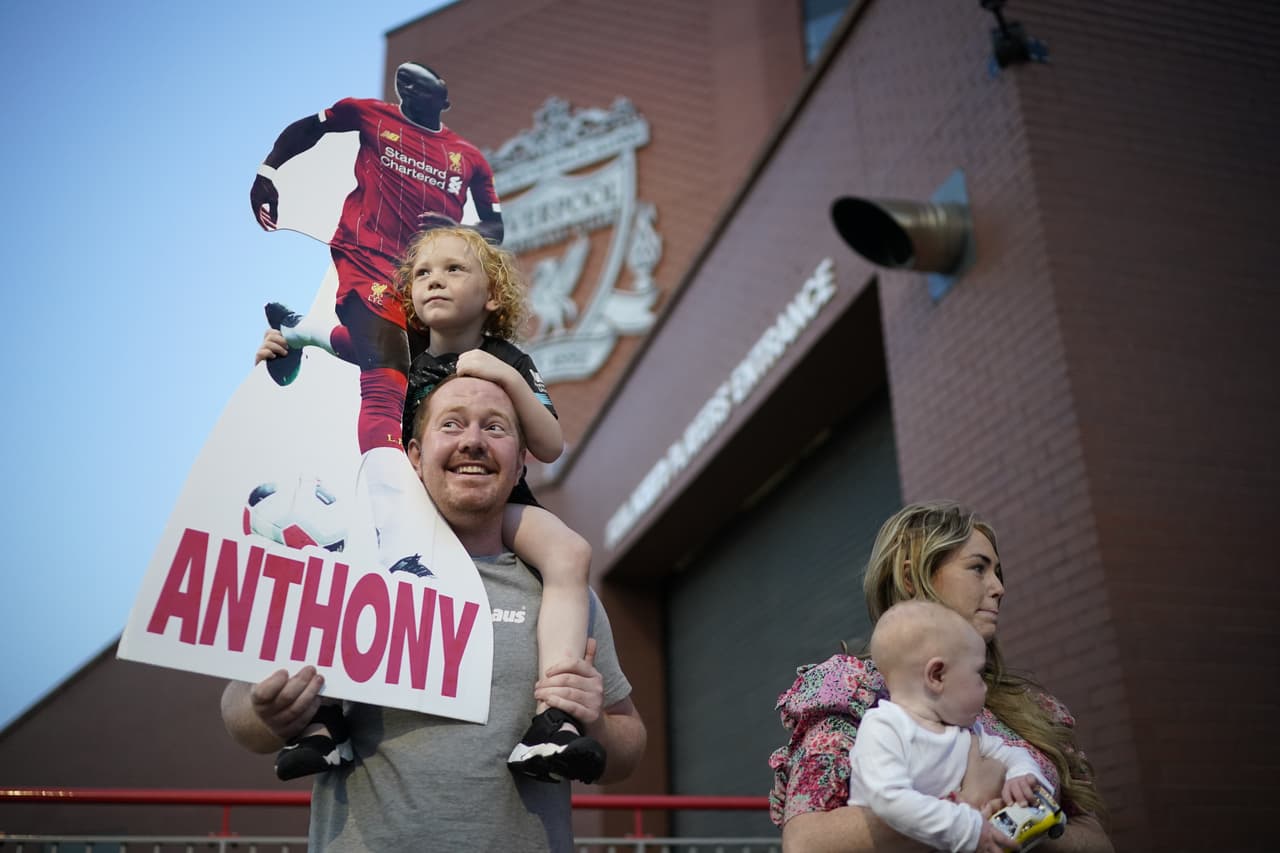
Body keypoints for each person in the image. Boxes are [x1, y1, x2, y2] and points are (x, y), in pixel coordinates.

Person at [221, 375, 646, 852]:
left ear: (520, 461)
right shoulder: (340, 573)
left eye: (496, 428)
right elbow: (239, 709)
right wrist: (267, 712)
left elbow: (628, 743)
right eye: (452, 424)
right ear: (415, 456)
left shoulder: (562, 596)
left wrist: (598, 724)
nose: (473, 441)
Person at [259, 227, 600, 786]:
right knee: (330, 558)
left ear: (492, 296)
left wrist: (507, 380)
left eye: (453, 269)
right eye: (422, 273)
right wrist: (285, 340)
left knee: (569, 550)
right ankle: (324, 723)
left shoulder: (507, 357)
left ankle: (554, 719)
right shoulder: (398, 350)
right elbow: (331, 340)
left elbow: (551, 445)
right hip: (406, 509)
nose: (434, 279)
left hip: (493, 509)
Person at [251, 61, 502, 578]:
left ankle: (298, 330)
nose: (408, 91)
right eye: (403, 84)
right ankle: (402, 553)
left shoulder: (469, 159)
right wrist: (267, 174)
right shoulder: (367, 115)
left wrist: (466, 233)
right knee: (386, 376)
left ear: (444, 99)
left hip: (423, 282)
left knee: (395, 360)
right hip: (364, 259)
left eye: (422, 87)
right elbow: (309, 128)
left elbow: (494, 224)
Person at [769, 501, 1114, 853]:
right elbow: (807, 842)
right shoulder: (850, 687)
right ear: (910, 577)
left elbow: (1098, 841)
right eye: (978, 568)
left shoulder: (1035, 706)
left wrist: (1023, 828)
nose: (999, 587)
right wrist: (968, 804)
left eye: (998, 572)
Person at [848, 600, 1050, 853]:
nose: (985, 687)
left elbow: (1013, 754)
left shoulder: (966, 730)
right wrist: (970, 828)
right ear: (937, 676)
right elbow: (888, 798)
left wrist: (1021, 775)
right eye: (978, 674)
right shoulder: (884, 727)